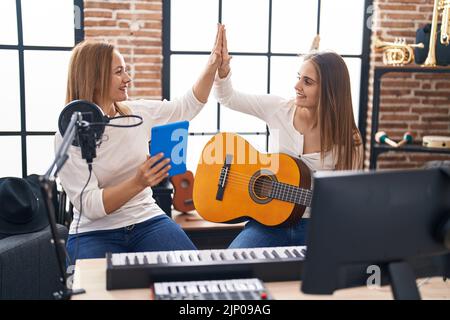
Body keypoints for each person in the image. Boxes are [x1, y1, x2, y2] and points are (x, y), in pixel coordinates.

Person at [56, 25, 226, 263]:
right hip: (93, 231)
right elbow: (90, 206)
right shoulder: (70, 132)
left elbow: (187, 106)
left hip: (147, 220)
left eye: (125, 70)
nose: (128, 79)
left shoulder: (137, 114)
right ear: (95, 80)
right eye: (119, 72)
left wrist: (213, 63)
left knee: (194, 272)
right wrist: (139, 182)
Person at [214, 27, 363, 248]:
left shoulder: (349, 138)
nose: (297, 86)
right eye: (298, 78)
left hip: (318, 226)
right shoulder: (278, 109)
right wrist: (223, 69)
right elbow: (226, 98)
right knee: (229, 267)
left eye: (307, 82)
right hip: (267, 222)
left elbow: (346, 200)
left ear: (331, 90)